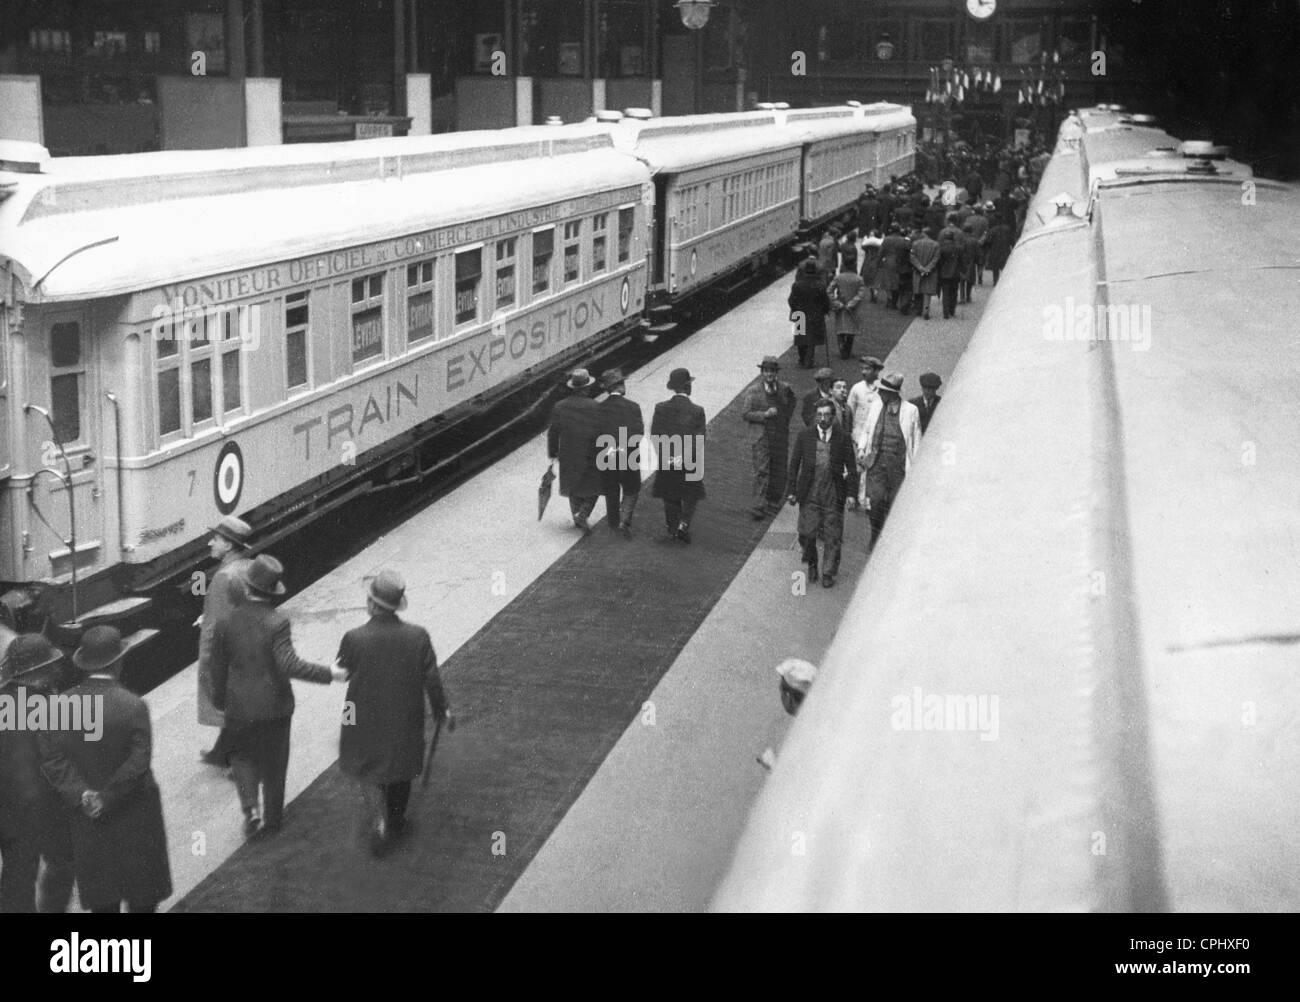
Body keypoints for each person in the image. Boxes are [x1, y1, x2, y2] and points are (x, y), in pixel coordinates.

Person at [209, 555, 347, 837]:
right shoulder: (277, 622)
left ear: (247, 588)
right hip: (275, 707)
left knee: (242, 757)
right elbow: (289, 664)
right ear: (271, 591)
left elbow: (216, 668)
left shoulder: (224, 623)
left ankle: (251, 810)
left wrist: (221, 701)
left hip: (239, 708)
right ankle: (272, 821)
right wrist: (329, 673)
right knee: (274, 762)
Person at [38, 626, 172, 913]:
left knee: (103, 901)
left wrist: (83, 795)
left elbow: (53, 760)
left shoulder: (59, 707)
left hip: (89, 821)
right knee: (143, 899)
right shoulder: (134, 706)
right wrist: (107, 796)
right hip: (136, 815)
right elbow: (138, 763)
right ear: (118, 662)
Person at [336, 571, 451, 856]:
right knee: (401, 768)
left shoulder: (354, 638)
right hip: (405, 714)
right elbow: (432, 679)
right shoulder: (418, 635)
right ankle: (397, 818)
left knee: (368, 769)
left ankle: (380, 822)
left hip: (365, 716)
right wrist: (441, 709)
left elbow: (343, 671)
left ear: (371, 604)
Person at [0, 634, 75, 913]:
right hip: (40, 806)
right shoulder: (47, 708)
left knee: (17, 874)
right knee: (64, 860)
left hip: (6, 809)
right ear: (37, 672)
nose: (56, 671)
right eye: (50, 666)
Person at [197, 515, 254, 768]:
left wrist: (207, 664)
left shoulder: (223, 577)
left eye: (216, 539)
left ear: (229, 546)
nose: (210, 543)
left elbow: (214, 631)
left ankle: (239, 764)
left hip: (227, 654)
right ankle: (221, 754)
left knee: (230, 707)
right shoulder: (249, 567)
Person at [787, 399, 859, 588]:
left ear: (833, 417)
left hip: (833, 493)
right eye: (819, 415)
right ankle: (811, 561)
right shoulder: (805, 435)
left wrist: (852, 493)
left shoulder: (842, 437)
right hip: (810, 493)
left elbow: (852, 467)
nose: (823, 419)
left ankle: (828, 572)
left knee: (833, 536)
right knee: (806, 533)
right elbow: (794, 464)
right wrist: (792, 491)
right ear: (815, 416)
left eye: (827, 415)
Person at [855, 371, 920, 543]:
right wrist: (861, 448)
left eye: (883, 391)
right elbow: (867, 430)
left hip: (897, 466)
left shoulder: (910, 411)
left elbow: (916, 439)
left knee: (895, 505)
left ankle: (889, 539)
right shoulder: (876, 407)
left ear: (892, 393)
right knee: (875, 502)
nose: (880, 393)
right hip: (876, 463)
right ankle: (875, 534)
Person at [650, 368, 707, 543]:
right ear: (688, 386)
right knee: (691, 494)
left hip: (668, 459)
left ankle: (673, 528)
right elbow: (700, 438)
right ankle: (684, 524)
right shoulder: (697, 410)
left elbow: (655, 435)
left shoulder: (660, 408)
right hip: (689, 460)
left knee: (670, 494)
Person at [547, 369, 603, 532]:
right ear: (587, 388)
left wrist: (553, 453)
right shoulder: (595, 406)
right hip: (590, 452)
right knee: (596, 485)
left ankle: (577, 515)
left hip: (568, 453)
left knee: (573, 487)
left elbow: (553, 432)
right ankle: (583, 514)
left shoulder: (560, 406)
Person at [743, 356, 798, 519]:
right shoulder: (753, 390)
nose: (769, 374)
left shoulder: (784, 388)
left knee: (779, 468)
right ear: (762, 372)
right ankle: (759, 505)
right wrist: (764, 415)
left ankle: (773, 500)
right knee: (761, 470)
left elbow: (792, 402)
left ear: (776, 373)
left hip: (780, 435)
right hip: (761, 436)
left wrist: (785, 418)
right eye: (766, 371)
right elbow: (745, 414)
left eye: (772, 371)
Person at [596, 368, 644, 537]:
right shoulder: (633, 407)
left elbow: (597, 434)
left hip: (607, 453)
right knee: (631, 489)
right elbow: (639, 432)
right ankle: (624, 521)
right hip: (629, 454)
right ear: (619, 386)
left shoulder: (599, 408)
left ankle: (613, 523)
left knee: (611, 489)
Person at [788, 258, 830, 368]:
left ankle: (802, 358)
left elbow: (791, 300)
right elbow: (825, 301)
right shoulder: (820, 285)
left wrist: (796, 309)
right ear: (815, 271)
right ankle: (809, 360)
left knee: (800, 337)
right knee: (812, 338)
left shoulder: (797, 285)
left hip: (800, 314)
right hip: (815, 315)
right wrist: (825, 310)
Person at [827, 258, 867, 360]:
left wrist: (836, 303)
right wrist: (852, 303)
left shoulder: (838, 277)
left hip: (840, 307)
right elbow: (861, 294)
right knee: (851, 329)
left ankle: (841, 347)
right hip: (853, 308)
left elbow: (829, 291)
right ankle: (847, 350)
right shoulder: (858, 279)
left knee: (840, 328)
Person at [846, 355, 883, 444]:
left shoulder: (883, 390)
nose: (863, 372)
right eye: (862, 368)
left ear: (876, 371)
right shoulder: (857, 388)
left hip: (876, 436)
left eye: (867, 369)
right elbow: (849, 411)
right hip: (858, 436)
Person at [909, 227, 939, 320]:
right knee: (927, 292)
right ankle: (926, 310)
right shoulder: (936, 244)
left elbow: (912, 257)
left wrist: (920, 268)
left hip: (918, 271)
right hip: (931, 272)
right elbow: (936, 258)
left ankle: (918, 311)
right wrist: (928, 268)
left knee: (918, 290)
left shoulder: (916, 243)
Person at [875, 224, 904, 309]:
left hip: (888, 262)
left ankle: (889, 299)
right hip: (899, 262)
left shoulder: (886, 239)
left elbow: (881, 252)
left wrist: (878, 262)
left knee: (887, 281)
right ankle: (894, 301)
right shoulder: (902, 240)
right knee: (897, 281)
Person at [937, 229, 962, 319]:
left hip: (944, 274)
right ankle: (952, 310)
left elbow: (938, 261)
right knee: (954, 293)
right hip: (955, 273)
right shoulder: (958, 248)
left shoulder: (941, 248)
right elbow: (961, 261)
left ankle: (945, 313)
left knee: (945, 293)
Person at [985, 215, 1014, 286]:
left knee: (995, 268)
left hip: (995, 251)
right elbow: (1011, 240)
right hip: (1005, 250)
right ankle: (1005, 282)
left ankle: (995, 281)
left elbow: (988, 242)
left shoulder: (992, 230)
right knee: (1005, 267)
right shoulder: (1007, 229)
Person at [859, 228, 883, 302]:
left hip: (871, 262)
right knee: (872, 279)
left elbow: (863, 246)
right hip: (872, 262)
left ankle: (874, 294)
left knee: (872, 279)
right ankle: (874, 294)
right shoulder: (878, 244)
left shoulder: (868, 245)